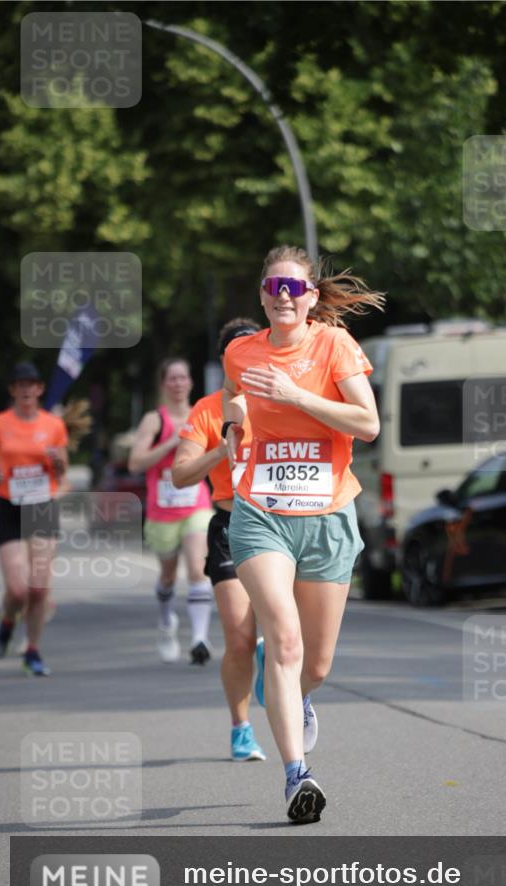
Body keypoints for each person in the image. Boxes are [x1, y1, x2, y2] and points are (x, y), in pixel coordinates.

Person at [222, 246, 384, 823]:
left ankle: (296, 691)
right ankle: (298, 778)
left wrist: (296, 398)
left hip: (328, 516)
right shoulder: (240, 351)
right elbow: (238, 396)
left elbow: (367, 424)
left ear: (311, 296)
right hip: (261, 514)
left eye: (295, 288)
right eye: (274, 286)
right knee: (285, 644)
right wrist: (232, 422)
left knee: (314, 665)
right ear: (262, 294)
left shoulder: (333, 346)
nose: (283, 296)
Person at [172, 318, 267, 763]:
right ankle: (241, 728)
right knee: (240, 638)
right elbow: (180, 474)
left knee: (288, 636)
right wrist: (220, 448)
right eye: (236, 351)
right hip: (230, 527)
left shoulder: (280, 398)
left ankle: (278, 669)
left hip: (283, 526)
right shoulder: (208, 410)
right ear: (227, 359)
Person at [128, 359, 213, 665]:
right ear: (164, 384)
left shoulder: (201, 414)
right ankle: (166, 623)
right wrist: (170, 444)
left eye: (183, 378)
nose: (178, 384)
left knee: (197, 569)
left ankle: (200, 639)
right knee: (166, 576)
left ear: (191, 382)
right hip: (161, 511)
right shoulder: (155, 420)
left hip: (196, 504)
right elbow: (135, 463)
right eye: (172, 379)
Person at [0, 362, 69, 676]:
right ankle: (8, 622)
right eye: (19, 384)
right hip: (11, 506)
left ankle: (32, 651)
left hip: (42, 506)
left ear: (39, 389)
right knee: (18, 589)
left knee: (38, 589)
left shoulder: (53, 425)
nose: (26, 389)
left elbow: (62, 469)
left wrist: (57, 462)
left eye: (31, 384)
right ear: (12, 390)